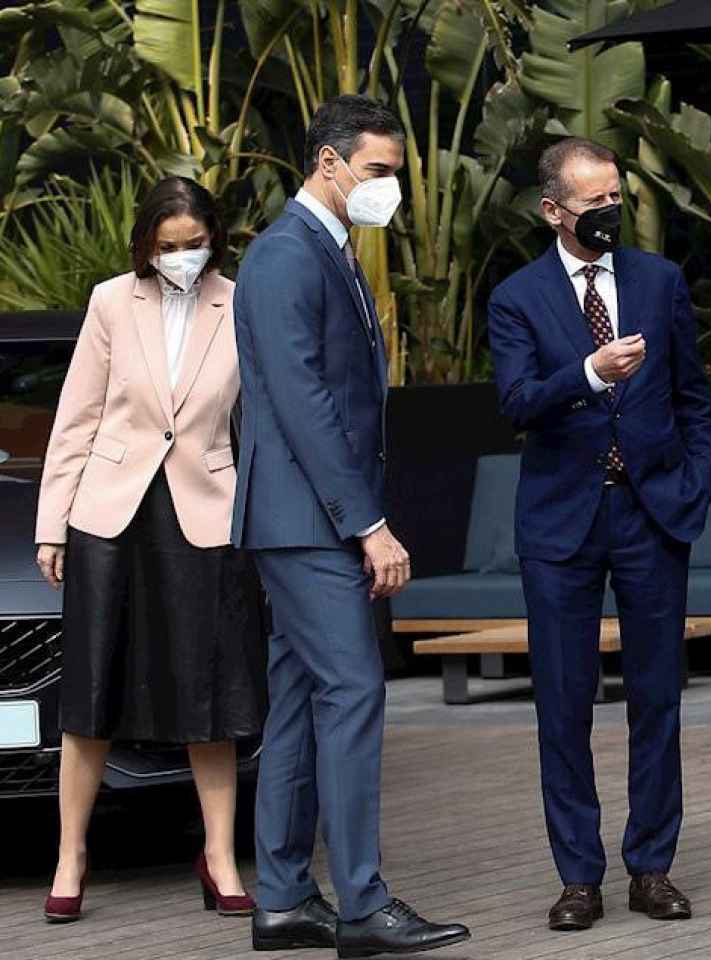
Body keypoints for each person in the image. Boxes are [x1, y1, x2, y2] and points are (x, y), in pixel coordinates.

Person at [232, 94, 469, 956]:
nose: (389, 191)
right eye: (377, 173)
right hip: (306, 521)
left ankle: (285, 899)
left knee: (299, 699)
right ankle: (362, 905)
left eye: (395, 175)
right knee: (354, 692)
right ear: (328, 163)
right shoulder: (288, 256)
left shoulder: (326, 250)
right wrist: (369, 523)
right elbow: (305, 405)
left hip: (308, 515)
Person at [485, 137, 711, 933]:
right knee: (564, 700)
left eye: (618, 196)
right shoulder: (517, 297)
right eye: (594, 203)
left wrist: (696, 487)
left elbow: (694, 397)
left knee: (657, 698)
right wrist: (591, 372)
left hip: (652, 513)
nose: (611, 212)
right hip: (562, 523)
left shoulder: (659, 281)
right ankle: (578, 877)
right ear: (554, 210)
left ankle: (652, 867)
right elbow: (517, 400)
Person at [34, 176, 266, 925]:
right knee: (91, 694)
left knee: (213, 693)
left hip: (207, 515)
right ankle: (71, 854)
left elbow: (257, 421)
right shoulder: (109, 302)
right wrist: (52, 524)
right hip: (110, 514)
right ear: (144, 246)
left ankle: (220, 854)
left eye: (195, 245)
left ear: (214, 241)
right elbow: (76, 418)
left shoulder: (241, 302)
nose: (182, 259)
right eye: (167, 248)